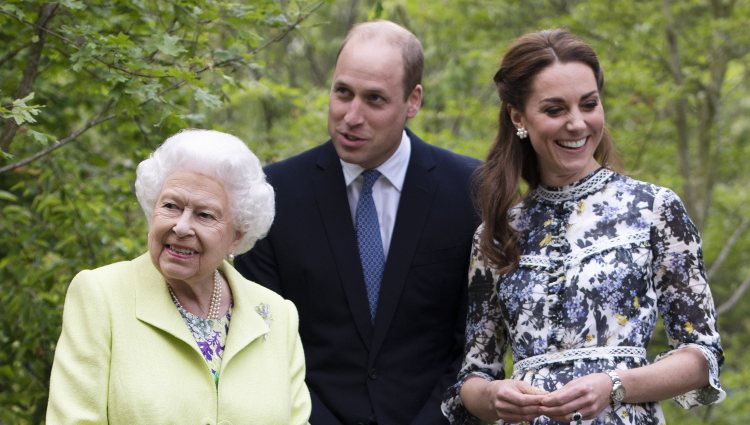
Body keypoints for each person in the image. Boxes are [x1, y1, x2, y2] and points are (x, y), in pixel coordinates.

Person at [441, 29, 725, 425]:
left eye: (589, 104)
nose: (577, 123)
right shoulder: (496, 233)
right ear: (518, 117)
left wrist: (615, 384)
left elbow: (701, 355)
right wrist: (494, 395)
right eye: (555, 110)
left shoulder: (654, 209)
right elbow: (473, 376)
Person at [234, 20, 481, 425]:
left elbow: (474, 345)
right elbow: (264, 343)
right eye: (342, 92)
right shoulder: (272, 195)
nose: (351, 116)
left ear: (413, 100)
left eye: (374, 100)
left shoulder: (471, 191)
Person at [46, 129, 311, 424]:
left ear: (237, 236)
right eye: (171, 206)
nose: (182, 227)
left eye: (205, 215)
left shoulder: (276, 314)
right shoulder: (101, 295)